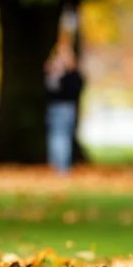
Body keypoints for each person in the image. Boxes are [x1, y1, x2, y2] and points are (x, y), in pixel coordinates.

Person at [44, 45, 84, 176]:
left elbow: (65, 90)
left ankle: (61, 166)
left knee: (60, 138)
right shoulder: (60, 75)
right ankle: (60, 165)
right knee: (59, 137)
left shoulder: (69, 76)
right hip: (60, 108)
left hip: (64, 108)